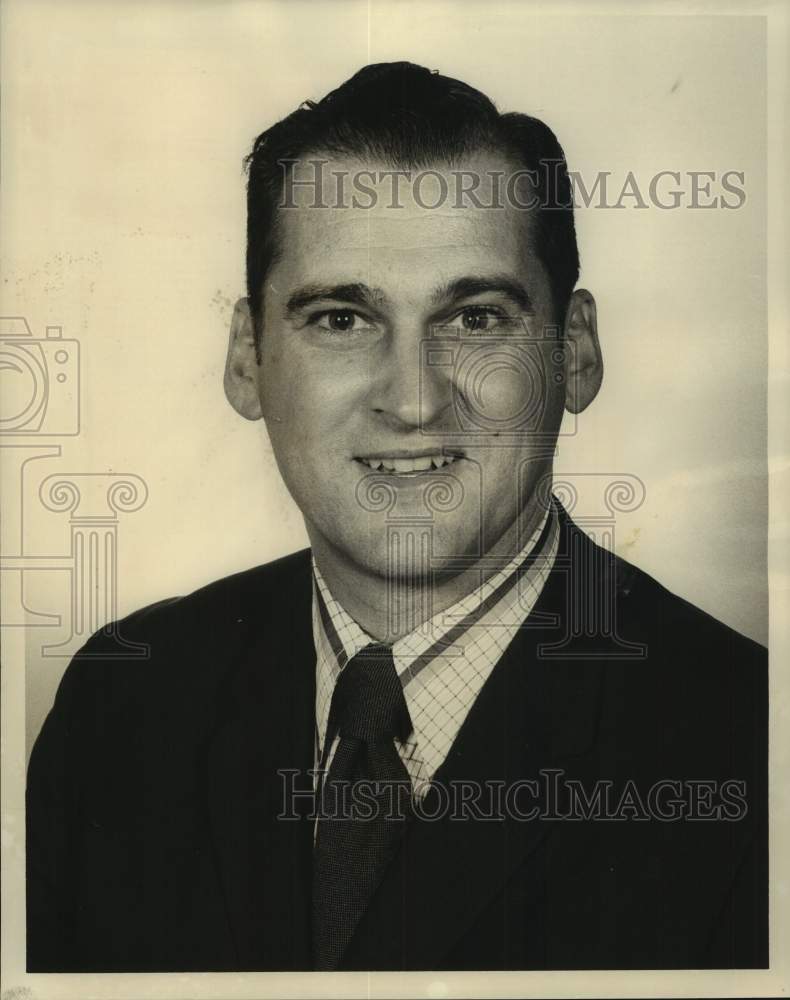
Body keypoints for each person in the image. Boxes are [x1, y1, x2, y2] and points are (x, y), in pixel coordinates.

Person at [26, 61, 767, 972]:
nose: (413, 401)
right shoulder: (120, 709)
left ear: (575, 353)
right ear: (248, 361)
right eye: (341, 320)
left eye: (475, 319)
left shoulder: (749, 745)